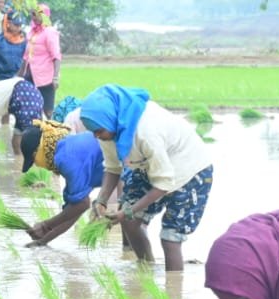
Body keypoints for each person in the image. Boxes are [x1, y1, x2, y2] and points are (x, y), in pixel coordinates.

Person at [79, 85, 215, 270]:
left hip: (190, 172)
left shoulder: (146, 132)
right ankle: (145, 271)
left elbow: (163, 184)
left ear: (110, 118)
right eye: (93, 131)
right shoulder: (108, 131)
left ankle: (173, 286)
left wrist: (128, 211)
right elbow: (113, 168)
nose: (96, 136)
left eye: (99, 131)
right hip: (149, 167)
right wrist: (101, 201)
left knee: (170, 238)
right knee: (130, 222)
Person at [18, 120, 105, 246]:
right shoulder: (66, 147)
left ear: (39, 151)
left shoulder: (65, 159)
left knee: (130, 221)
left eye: (34, 160)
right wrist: (42, 241)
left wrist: (45, 225)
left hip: (129, 167)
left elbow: (82, 204)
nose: (37, 165)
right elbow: (73, 210)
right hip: (122, 171)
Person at [18, 4, 61, 119]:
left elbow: (56, 56)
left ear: (45, 15)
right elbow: (26, 56)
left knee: (47, 110)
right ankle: (32, 128)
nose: (34, 17)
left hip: (46, 77)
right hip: (30, 74)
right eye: (32, 14)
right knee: (29, 106)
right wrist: (19, 75)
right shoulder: (32, 32)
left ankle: (50, 128)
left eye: (37, 14)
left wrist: (55, 78)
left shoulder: (50, 32)